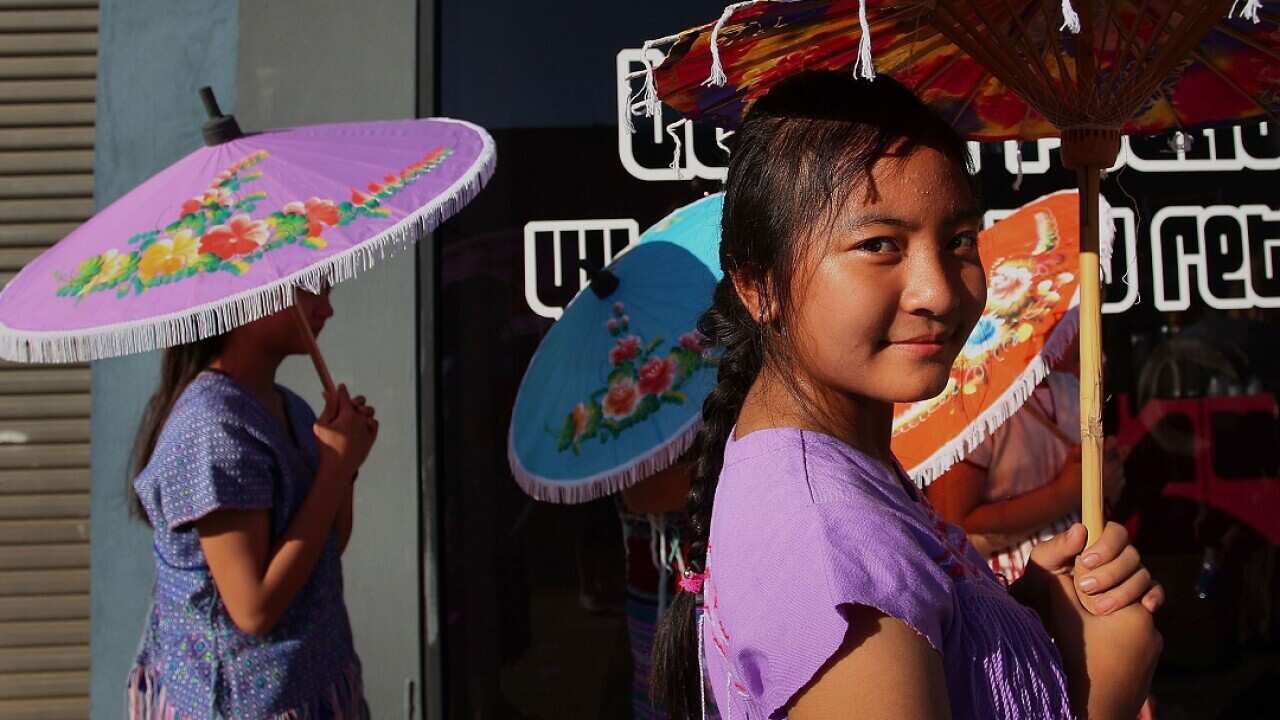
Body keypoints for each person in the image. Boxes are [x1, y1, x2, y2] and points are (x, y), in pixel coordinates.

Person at [651, 71, 1164, 720]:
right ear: (760, 287)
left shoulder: (837, 468)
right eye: (879, 246)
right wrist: (1106, 691)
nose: (940, 292)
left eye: (958, 242)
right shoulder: (825, 546)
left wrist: (1021, 609)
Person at [125, 286, 379, 719]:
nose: (327, 307)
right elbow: (253, 607)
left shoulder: (290, 409)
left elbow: (328, 544)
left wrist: (343, 466)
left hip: (314, 687)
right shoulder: (213, 427)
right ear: (245, 297)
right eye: (308, 291)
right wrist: (334, 470)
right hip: (241, 705)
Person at [927, 368, 1128, 583]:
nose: (1105, 358)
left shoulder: (1074, 388)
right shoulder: (966, 402)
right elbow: (953, 523)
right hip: (1007, 583)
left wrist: (1105, 474)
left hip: (1086, 564)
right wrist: (1065, 494)